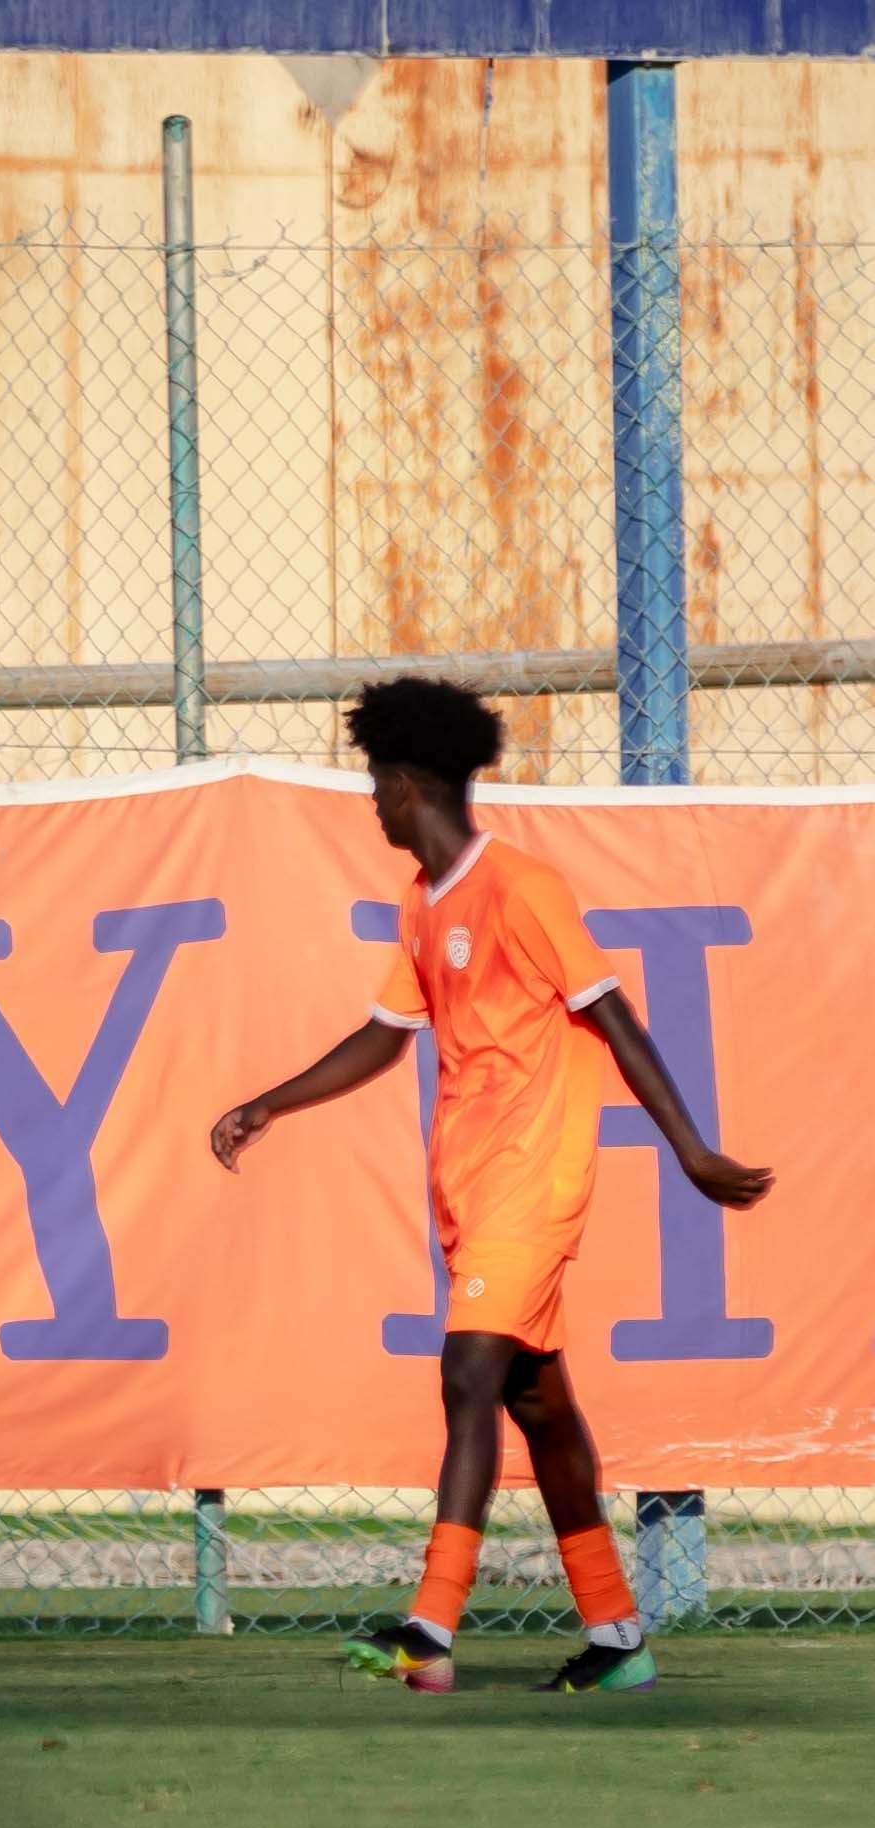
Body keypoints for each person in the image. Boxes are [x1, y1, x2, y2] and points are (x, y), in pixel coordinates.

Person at [210, 679, 771, 1693]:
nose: (370, 801)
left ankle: (429, 1628)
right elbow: (388, 1035)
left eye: (375, 782)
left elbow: (617, 1020)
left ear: (409, 781)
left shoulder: (524, 888)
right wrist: (269, 1102)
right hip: (467, 1184)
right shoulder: (424, 903)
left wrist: (690, 1147)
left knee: (468, 1374)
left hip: (535, 1176)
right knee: (538, 1404)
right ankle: (617, 1639)